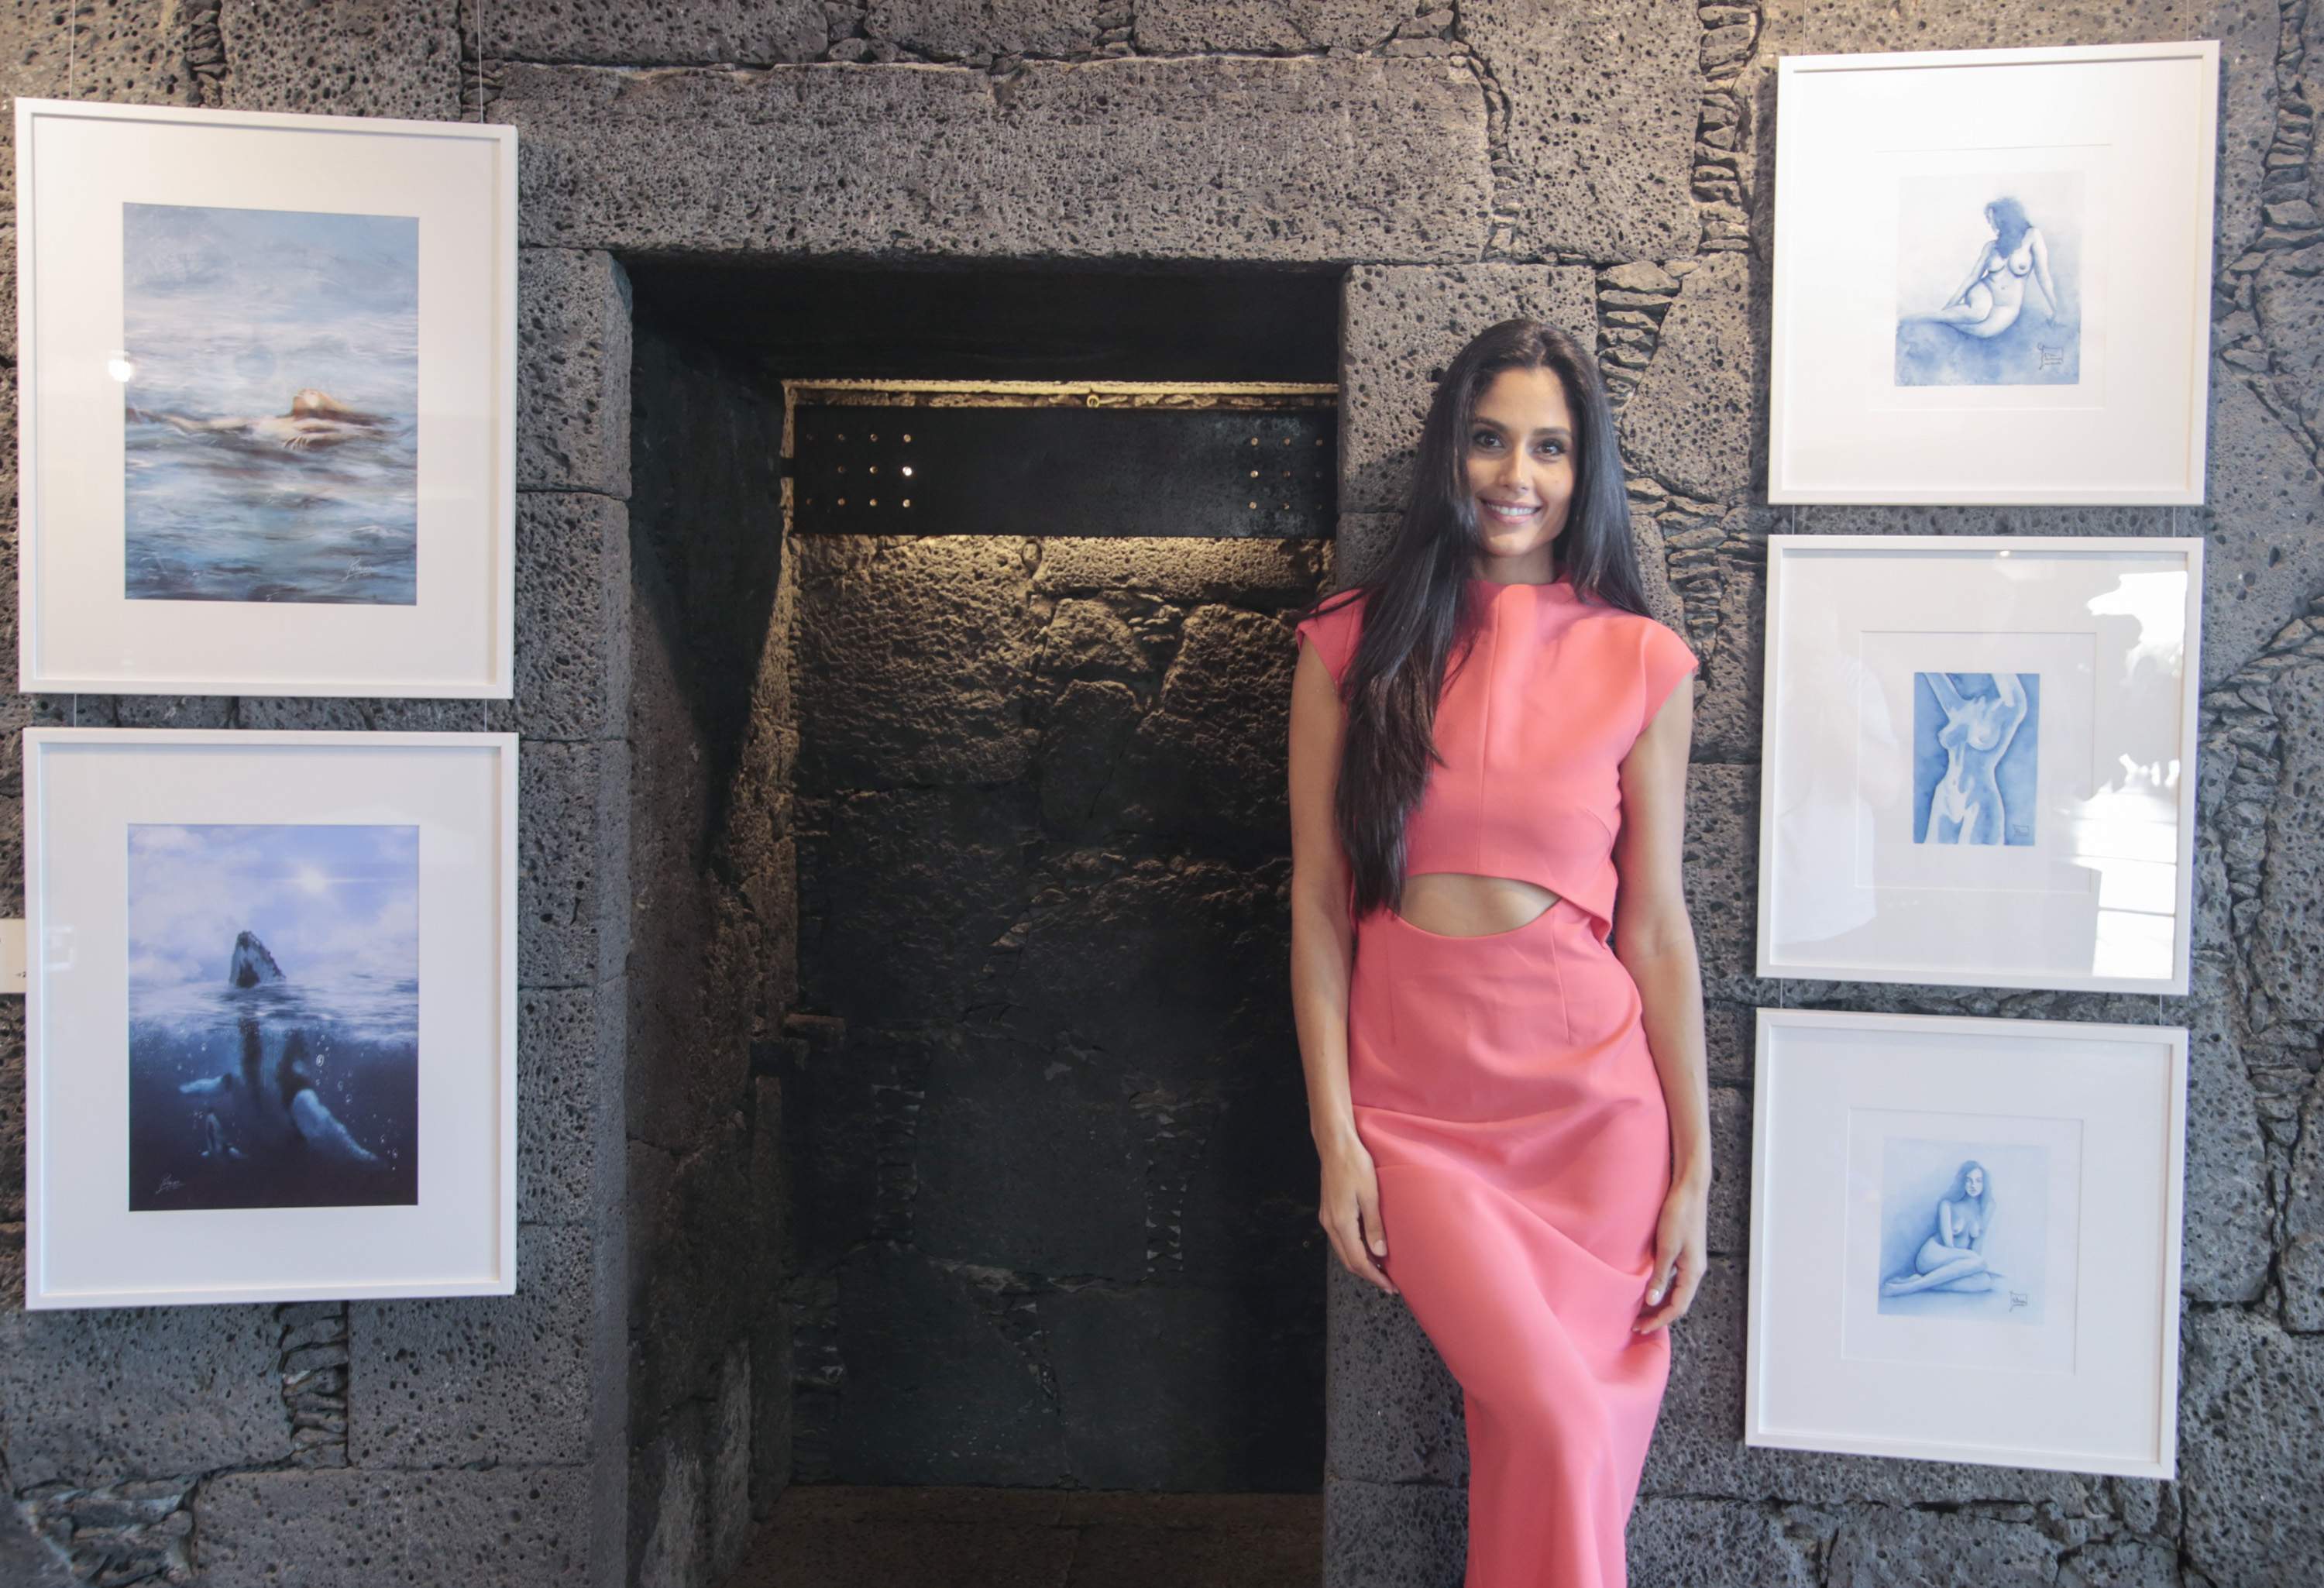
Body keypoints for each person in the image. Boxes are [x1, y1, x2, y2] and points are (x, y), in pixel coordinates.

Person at [1286, 318, 1709, 1587]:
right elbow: (1315, 903)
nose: (1513, 472)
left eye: (1548, 447)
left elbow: (1658, 927)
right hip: (1418, 1120)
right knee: (1555, 1421)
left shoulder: (1643, 662)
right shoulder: (1350, 646)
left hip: (1597, 1118)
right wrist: (1337, 1136)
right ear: (1446, 454)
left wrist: (1696, 1172)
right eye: (1487, 439)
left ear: (1587, 473)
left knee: (1567, 1456)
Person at [1903, 197, 2062, 340]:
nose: (1991, 224)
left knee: (1984, 331)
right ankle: (1909, 320)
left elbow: (2043, 276)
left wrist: (2056, 309)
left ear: (2005, 218)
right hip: (1983, 290)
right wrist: (1949, 306)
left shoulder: (2032, 235)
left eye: (1992, 219)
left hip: (2008, 305)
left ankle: (1937, 319)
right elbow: (1972, 277)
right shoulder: (1991, 247)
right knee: (1977, 313)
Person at [1880, 1161, 1999, 1296]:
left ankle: (1922, 1282)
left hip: (1956, 1263)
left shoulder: (1986, 1208)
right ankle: (1909, 1287)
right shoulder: (1948, 1205)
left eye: (1978, 1181)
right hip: (1933, 1256)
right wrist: (1971, 1263)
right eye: (1969, 1181)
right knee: (1979, 1261)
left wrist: (1971, 1267)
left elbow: (1977, 1246)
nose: (1973, 1185)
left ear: (1984, 1185)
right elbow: (1949, 1245)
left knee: (1984, 1282)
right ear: (1962, 1183)